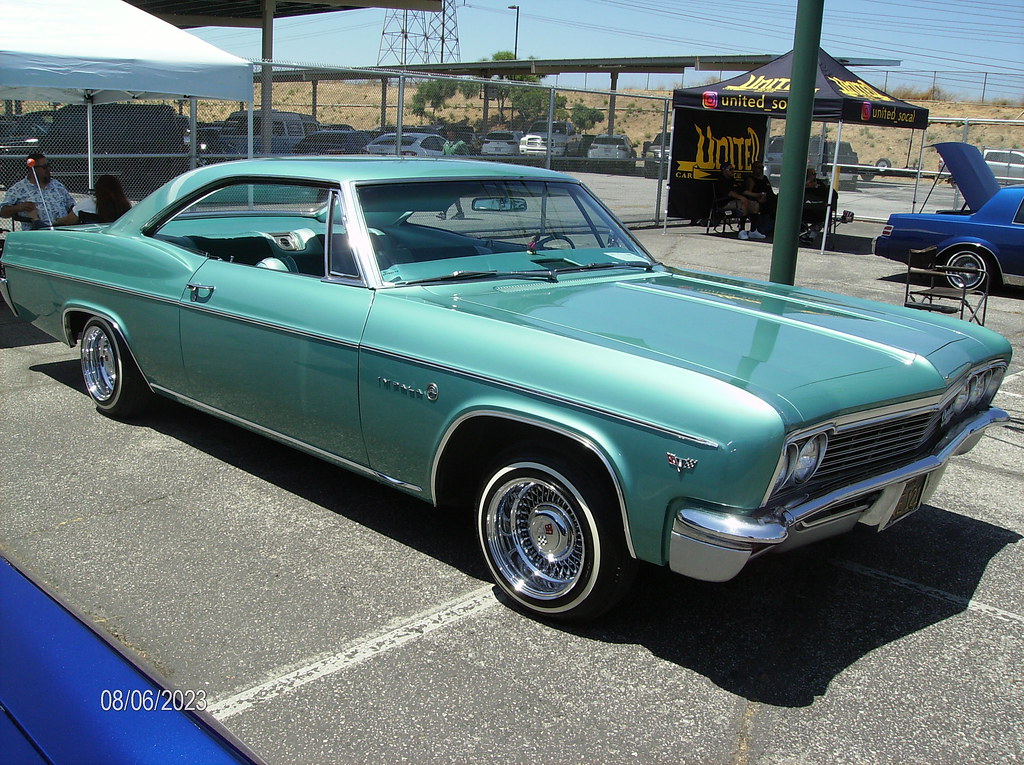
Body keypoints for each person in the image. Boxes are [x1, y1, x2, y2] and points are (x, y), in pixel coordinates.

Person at [1, 152, 76, 229]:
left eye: (48, 166)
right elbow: (3, 212)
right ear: (32, 169)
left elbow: (72, 206)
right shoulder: (18, 189)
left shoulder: (57, 185)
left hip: (62, 229)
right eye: (44, 167)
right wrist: (19, 207)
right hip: (36, 233)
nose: (48, 169)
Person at [712, 162, 764, 240]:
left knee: (755, 205)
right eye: (730, 169)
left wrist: (756, 195)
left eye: (733, 169)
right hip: (724, 203)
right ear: (724, 170)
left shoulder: (733, 180)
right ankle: (741, 231)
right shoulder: (721, 180)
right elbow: (730, 193)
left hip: (736, 201)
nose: (733, 171)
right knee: (744, 203)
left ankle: (753, 231)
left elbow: (742, 191)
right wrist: (742, 198)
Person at [800, 168, 838, 243]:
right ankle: (805, 233)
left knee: (823, 218)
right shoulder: (800, 190)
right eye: (813, 174)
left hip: (819, 215)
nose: (815, 176)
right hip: (803, 214)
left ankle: (808, 235)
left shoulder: (822, 188)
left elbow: (832, 198)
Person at [438, 128, 468, 220]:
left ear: (455, 133)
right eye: (448, 132)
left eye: (450, 131)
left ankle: (447, 212)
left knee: (453, 193)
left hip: (457, 171)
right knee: (450, 193)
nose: (448, 133)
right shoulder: (446, 143)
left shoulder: (461, 144)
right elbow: (442, 156)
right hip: (447, 171)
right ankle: (457, 212)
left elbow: (467, 156)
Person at [745, 161, 776, 236]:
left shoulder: (764, 178)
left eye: (762, 167)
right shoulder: (751, 179)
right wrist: (757, 195)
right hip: (759, 199)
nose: (761, 169)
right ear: (753, 169)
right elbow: (747, 192)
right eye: (759, 168)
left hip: (769, 198)